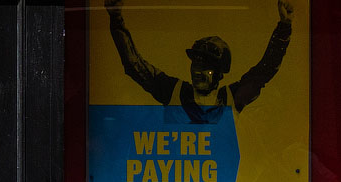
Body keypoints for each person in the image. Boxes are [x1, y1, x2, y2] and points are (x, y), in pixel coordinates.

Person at [106, 0, 294, 124]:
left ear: (219, 74)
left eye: (206, 67)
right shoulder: (174, 91)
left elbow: (264, 71)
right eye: (195, 64)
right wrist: (116, 18)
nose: (197, 71)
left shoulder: (231, 99)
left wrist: (284, 27)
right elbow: (134, 65)